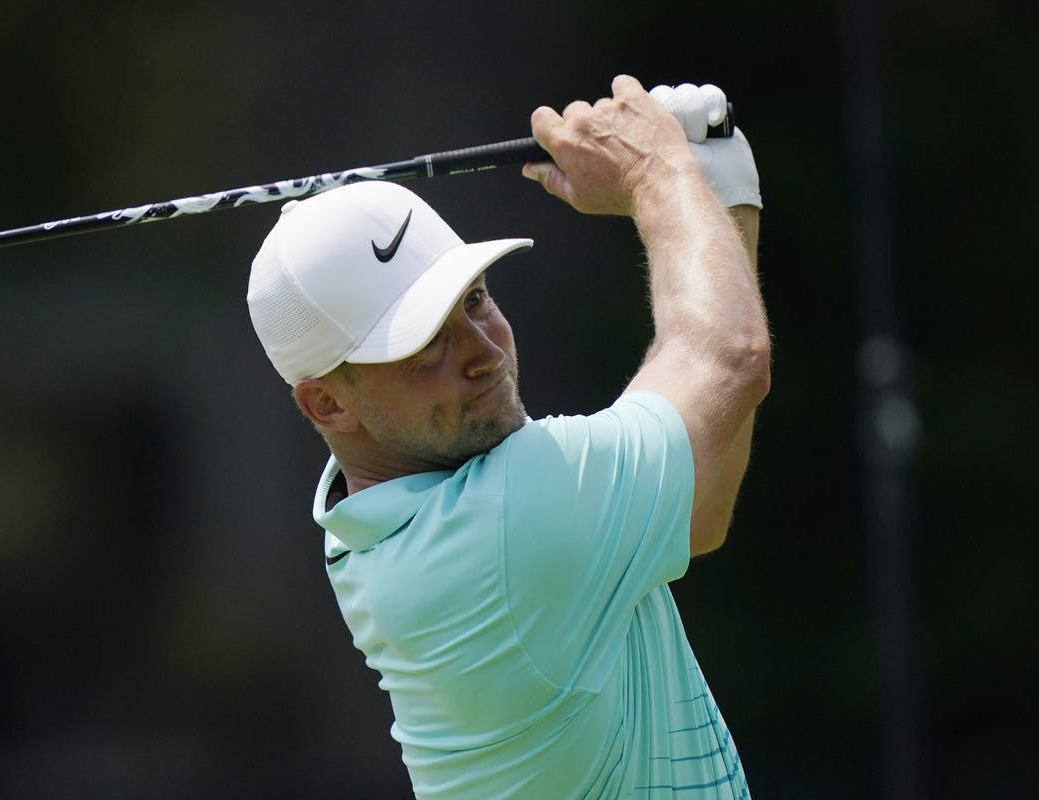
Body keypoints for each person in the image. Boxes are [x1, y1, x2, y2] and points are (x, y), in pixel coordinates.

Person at [247, 76, 769, 799]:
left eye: (477, 300)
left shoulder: (387, 523)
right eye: (425, 343)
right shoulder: (494, 532)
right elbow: (728, 359)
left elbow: (698, 507)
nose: (484, 351)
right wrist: (659, 175)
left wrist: (714, 192)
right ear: (328, 404)